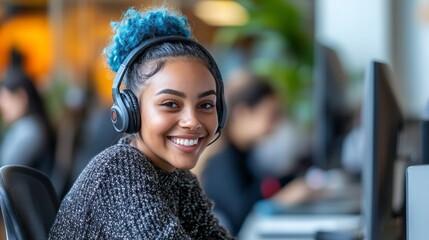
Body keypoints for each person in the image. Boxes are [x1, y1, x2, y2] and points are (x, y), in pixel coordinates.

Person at [49, 7, 234, 239]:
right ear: (131, 110)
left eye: (206, 105)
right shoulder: (118, 170)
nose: (192, 121)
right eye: (171, 104)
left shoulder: (181, 181)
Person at [200, 76, 295, 235]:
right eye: (271, 116)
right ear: (243, 113)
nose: (274, 125)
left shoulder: (245, 153)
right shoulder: (221, 157)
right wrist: (282, 200)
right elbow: (240, 215)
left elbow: (260, 186)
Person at [0, 49, 56, 177]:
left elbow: (5, 170)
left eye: (5, 99)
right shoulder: (30, 126)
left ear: (21, 97)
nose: (2, 107)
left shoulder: (29, 130)